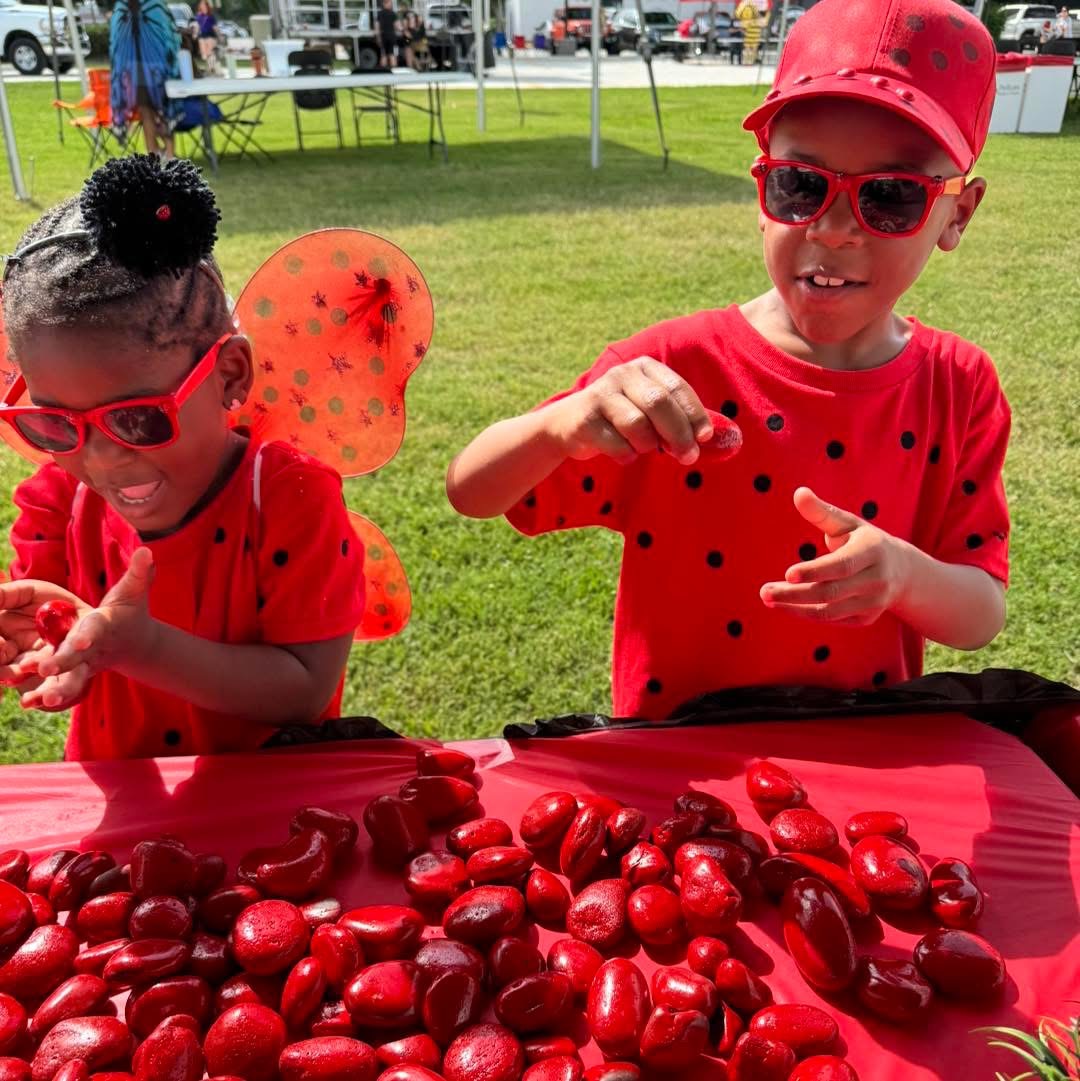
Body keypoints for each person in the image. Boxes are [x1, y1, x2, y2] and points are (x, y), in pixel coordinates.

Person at [447, 0, 1011, 723]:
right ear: (761, 187)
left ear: (957, 215)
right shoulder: (668, 369)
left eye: (892, 197)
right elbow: (473, 489)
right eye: (801, 184)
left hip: (864, 764)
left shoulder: (958, 387)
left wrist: (905, 576)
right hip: (680, 777)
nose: (834, 230)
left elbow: (980, 610)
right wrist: (564, 424)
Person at [0, 156, 367, 760]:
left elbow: (305, 691)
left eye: (138, 417)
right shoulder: (56, 502)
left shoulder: (289, 500)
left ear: (229, 375)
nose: (101, 458)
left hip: (266, 814)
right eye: (54, 422)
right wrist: (53, 650)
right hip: (121, 801)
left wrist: (143, 649)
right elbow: (58, 637)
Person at [108, 0, 182, 158]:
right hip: (140, 70)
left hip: (150, 69)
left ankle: (165, 154)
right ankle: (158, 154)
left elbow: (167, 35)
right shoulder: (125, 7)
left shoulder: (152, 6)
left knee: (156, 112)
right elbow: (171, 36)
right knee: (149, 111)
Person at [195, 0, 220, 74]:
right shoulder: (198, 16)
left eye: (203, 5)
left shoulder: (211, 16)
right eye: (201, 5)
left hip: (210, 35)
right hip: (202, 36)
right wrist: (195, 34)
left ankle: (211, 68)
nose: (202, 6)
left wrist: (219, 36)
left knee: (210, 53)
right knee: (204, 55)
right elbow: (197, 26)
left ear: (207, 6)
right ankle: (211, 67)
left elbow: (215, 27)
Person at [376, 0, 399, 68]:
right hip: (391, 36)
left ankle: (383, 72)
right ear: (386, 4)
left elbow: (377, 26)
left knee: (384, 55)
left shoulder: (380, 13)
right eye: (390, 3)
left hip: (383, 36)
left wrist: (378, 37)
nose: (391, 5)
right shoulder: (393, 13)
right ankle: (394, 71)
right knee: (392, 54)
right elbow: (397, 25)